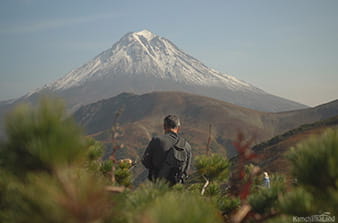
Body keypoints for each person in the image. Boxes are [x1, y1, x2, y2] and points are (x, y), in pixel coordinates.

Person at [142, 115, 192, 185]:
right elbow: (186, 171)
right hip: (177, 190)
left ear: (164, 126)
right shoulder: (187, 146)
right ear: (178, 128)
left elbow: (145, 162)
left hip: (158, 187)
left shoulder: (156, 141)